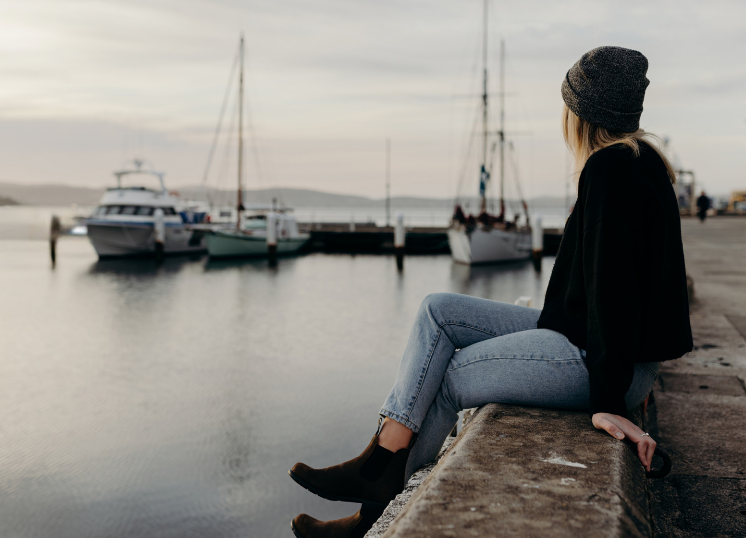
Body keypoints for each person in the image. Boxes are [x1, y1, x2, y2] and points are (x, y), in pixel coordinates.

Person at [286, 47, 694, 538]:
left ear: (582, 112)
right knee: (437, 311)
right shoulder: (638, 163)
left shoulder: (612, 171)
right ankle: (382, 457)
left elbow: (616, 293)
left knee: (452, 376)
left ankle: (371, 509)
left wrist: (608, 401)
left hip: (606, 361)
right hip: (584, 336)